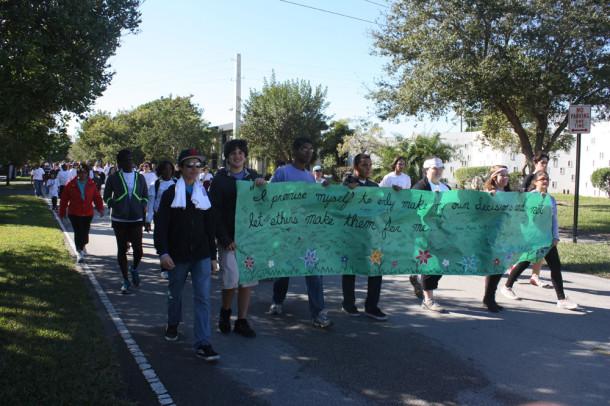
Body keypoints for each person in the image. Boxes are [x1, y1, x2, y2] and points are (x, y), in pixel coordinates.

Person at [154, 148, 220, 362]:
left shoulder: (203, 193)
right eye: (189, 165)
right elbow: (161, 226)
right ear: (180, 168)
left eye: (197, 165)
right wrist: (163, 252)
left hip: (201, 254)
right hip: (177, 255)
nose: (193, 170)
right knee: (175, 294)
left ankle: (203, 343)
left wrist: (212, 256)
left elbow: (210, 228)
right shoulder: (171, 193)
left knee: (203, 298)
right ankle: (173, 323)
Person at [268, 137, 332, 328]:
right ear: (295, 151)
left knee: (314, 271)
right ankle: (277, 301)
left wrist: (324, 190)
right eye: (304, 148)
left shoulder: (309, 177)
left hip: (306, 233)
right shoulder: (282, 172)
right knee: (283, 270)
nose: (308, 152)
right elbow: (269, 196)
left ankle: (319, 312)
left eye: (311, 149)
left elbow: (312, 203)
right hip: (285, 232)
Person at [209, 139, 265, 338]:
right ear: (227, 156)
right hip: (229, 238)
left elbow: (264, 205)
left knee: (247, 281)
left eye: (241, 152)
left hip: (250, 239)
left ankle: (242, 320)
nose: (237, 156)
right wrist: (223, 238)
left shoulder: (254, 177)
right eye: (233, 152)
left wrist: (262, 187)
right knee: (230, 279)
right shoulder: (220, 179)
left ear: (245, 155)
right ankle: (225, 312)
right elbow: (214, 212)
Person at [501, 171, 579, 310]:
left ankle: (561, 299)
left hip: (547, 239)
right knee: (524, 263)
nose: (545, 181)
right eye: (542, 179)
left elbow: (554, 220)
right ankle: (507, 287)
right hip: (532, 238)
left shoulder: (551, 199)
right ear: (535, 182)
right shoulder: (528, 197)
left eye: (547, 179)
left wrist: (555, 236)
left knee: (555, 267)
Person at [341, 154, 387, 320]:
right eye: (364, 165)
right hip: (351, 236)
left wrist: (395, 193)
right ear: (355, 167)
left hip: (371, 236)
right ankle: (348, 304)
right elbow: (337, 205)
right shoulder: (346, 185)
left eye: (370, 165)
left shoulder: (374, 187)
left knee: (376, 269)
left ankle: (372, 306)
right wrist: (346, 190)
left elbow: (383, 207)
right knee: (350, 269)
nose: (368, 168)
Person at [103, 149, 148, 294]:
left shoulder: (140, 177)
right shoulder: (113, 177)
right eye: (127, 160)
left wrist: (142, 205)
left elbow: (145, 195)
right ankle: (125, 280)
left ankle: (134, 268)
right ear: (120, 162)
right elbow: (106, 196)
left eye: (131, 159)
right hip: (119, 218)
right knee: (122, 249)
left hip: (136, 218)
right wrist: (114, 203)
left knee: (139, 250)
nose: (130, 162)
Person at [411, 157, 451, 312]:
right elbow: (411, 207)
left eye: (441, 168)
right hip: (425, 232)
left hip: (442, 233)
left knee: (442, 264)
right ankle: (428, 299)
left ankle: (417, 277)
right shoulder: (420, 187)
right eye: (435, 168)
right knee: (430, 263)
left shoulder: (446, 187)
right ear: (426, 170)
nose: (439, 171)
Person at [59, 164, 104, 263]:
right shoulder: (70, 184)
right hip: (74, 213)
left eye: (84, 172)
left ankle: (82, 245)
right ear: (77, 173)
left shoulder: (91, 184)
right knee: (78, 232)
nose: (82, 174)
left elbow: (97, 197)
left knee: (84, 233)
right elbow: (64, 199)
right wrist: (62, 212)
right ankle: (79, 252)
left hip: (88, 213)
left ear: (87, 173)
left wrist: (100, 208)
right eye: (80, 172)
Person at [482, 165, 511, 312]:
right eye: (502, 175)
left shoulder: (508, 194)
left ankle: (490, 298)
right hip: (492, 235)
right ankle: (489, 299)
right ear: (495, 177)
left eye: (507, 175)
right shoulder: (490, 193)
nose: (506, 178)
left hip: (505, 234)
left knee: (500, 267)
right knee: (494, 266)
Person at [520, 152, 552, 288]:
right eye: (542, 162)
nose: (544, 165)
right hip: (529, 220)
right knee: (526, 250)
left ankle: (535, 276)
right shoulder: (530, 178)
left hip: (541, 220)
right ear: (536, 163)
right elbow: (522, 197)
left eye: (546, 163)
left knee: (540, 249)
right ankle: (513, 273)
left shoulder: (545, 177)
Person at [146, 160, 176, 277]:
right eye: (165, 169)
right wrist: (148, 220)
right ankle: (164, 267)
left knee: (172, 240)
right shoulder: (155, 185)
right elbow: (151, 203)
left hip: (174, 216)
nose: (167, 171)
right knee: (161, 240)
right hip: (160, 216)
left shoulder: (177, 183)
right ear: (160, 171)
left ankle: (173, 264)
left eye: (170, 169)